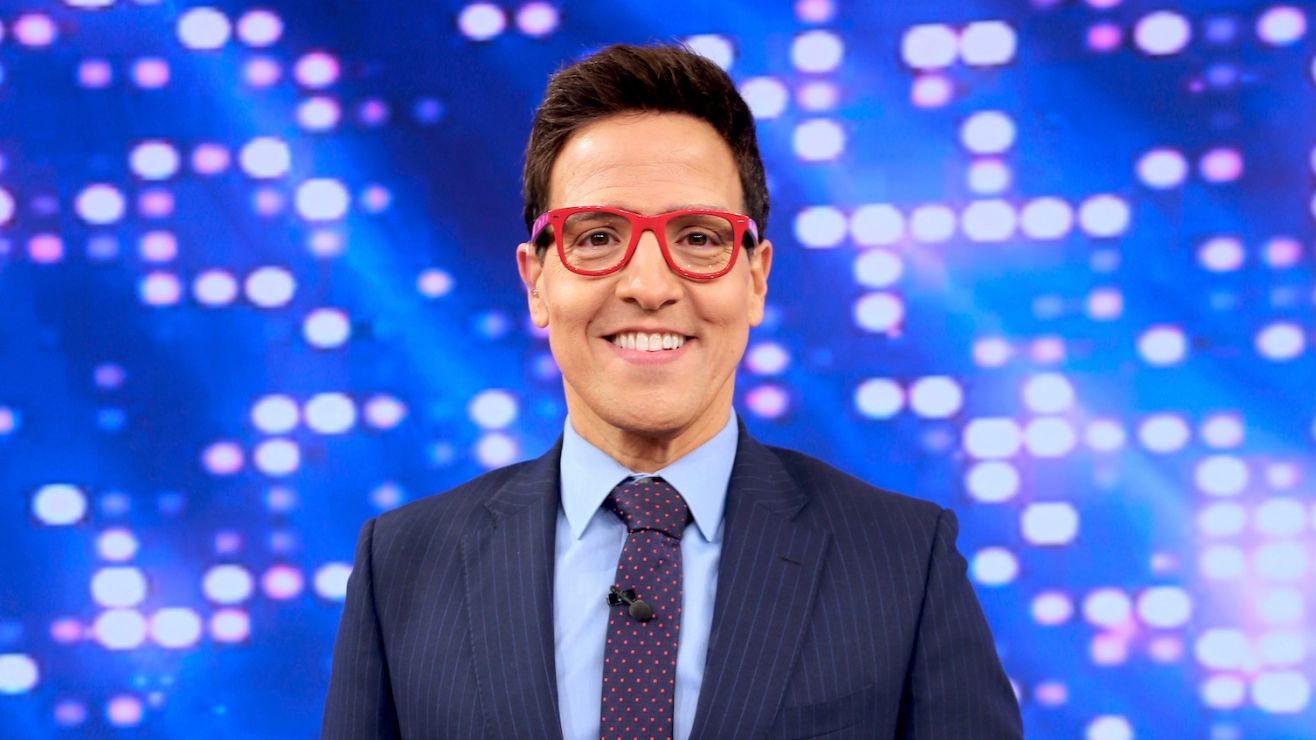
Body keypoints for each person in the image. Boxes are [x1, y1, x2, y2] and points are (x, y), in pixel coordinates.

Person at [323, 43, 1023, 739]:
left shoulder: (904, 560)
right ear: (536, 281)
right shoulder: (401, 566)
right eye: (598, 237)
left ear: (755, 278)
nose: (650, 285)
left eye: (698, 237)